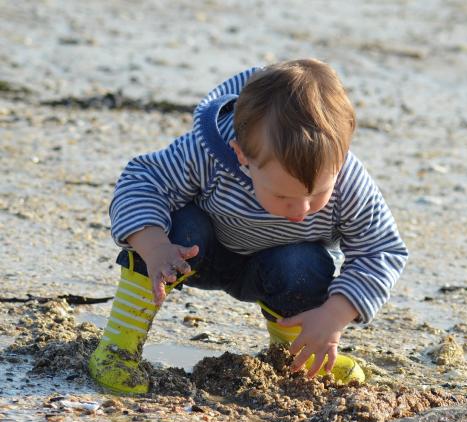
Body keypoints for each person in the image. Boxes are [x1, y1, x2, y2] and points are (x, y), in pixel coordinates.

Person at [88, 59, 408, 395]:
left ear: (340, 159)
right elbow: (143, 180)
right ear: (242, 155)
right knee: (179, 224)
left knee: (305, 263)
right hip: (192, 253)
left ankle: (295, 356)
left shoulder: (349, 183)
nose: (300, 211)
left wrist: (335, 314)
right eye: (283, 194)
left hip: (278, 266)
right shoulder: (208, 153)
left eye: (316, 195)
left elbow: (381, 249)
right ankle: (119, 346)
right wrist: (153, 246)